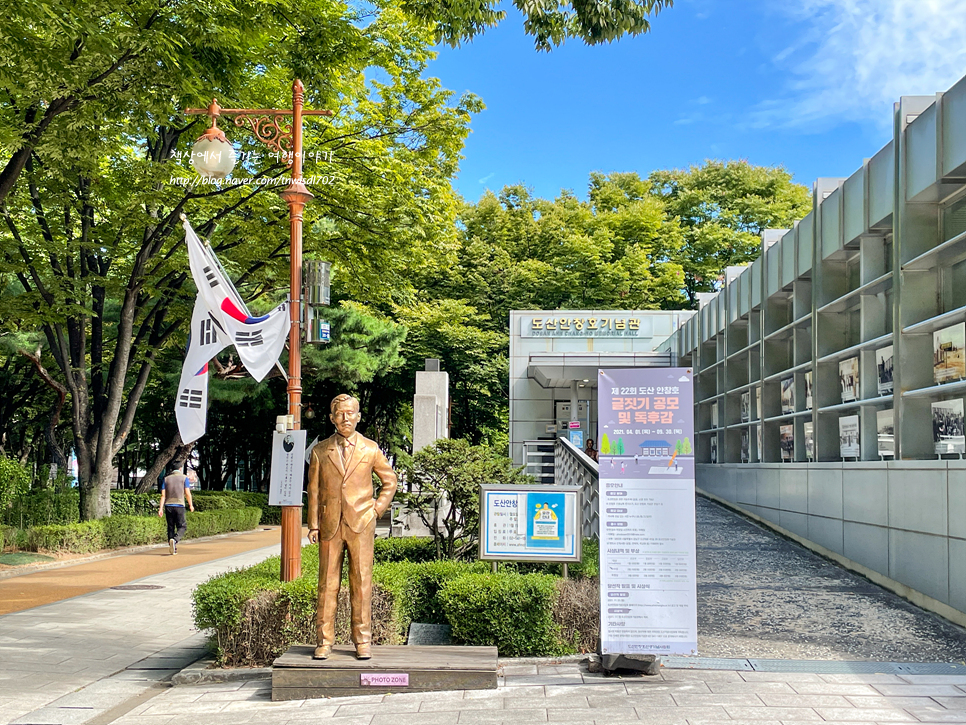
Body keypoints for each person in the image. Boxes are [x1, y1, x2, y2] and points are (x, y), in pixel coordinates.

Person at [306, 394, 397, 660]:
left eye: (350, 413)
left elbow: (389, 481)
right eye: (340, 414)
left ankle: (362, 641)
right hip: (329, 524)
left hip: (361, 522)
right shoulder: (321, 450)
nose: (345, 418)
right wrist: (313, 525)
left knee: (361, 582)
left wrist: (376, 509)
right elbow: (313, 491)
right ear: (332, 418)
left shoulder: (370, 448)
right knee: (327, 584)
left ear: (358, 416)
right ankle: (324, 640)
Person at [157, 466, 195, 555]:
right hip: (179, 505)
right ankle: (175, 540)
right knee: (182, 526)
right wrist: (191, 505)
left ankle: (172, 547)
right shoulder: (184, 478)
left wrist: (160, 508)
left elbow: (163, 495)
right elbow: (187, 493)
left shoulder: (166, 479)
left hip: (168, 505)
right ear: (180, 468)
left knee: (170, 526)